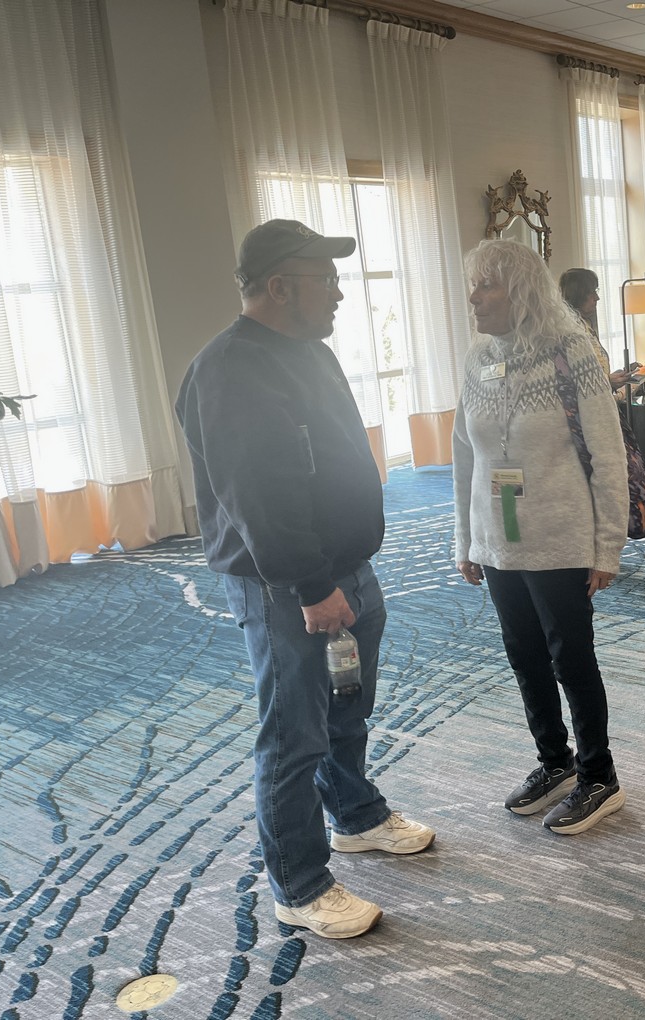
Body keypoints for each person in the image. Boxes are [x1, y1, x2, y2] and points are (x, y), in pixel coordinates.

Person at [175, 219, 435, 940]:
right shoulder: (230, 370)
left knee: (347, 707)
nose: (340, 293)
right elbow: (259, 497)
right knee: (295, 733)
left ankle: (354, 815)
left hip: (346, 567)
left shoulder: (310, 352)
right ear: (280, 286)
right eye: (326, 279)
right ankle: (299, 883)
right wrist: (313, 587)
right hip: (288, 585)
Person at [454, 240, 629, 835]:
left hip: (560, 536)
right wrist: (466, 539)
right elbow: (465, 458)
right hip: (498, 538)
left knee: (570, 658)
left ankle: (599, 775)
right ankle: (555, 761)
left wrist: (607, 546)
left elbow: (607, 456)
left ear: (521, 291)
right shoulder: (478, 360)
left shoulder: (570, 352)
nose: (474, 298)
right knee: (523, 655)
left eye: (487, 285)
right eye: (474, 285)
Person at [557, 267, 645, 396]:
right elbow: (577, 383)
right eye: (592, 292)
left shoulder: (586, 324)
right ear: (579, 295)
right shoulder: (570, 331)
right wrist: (610, 382)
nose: (597, 298)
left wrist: (615, 377)